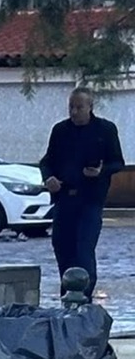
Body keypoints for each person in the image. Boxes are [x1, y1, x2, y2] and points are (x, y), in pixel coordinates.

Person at [39, 87, 124, 297]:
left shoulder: (105, 130)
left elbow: (117, 162)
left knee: (83, 249)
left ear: (90, 108)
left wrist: (100, 171)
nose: (74, 112)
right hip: (64, 199)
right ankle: (67, 294)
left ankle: (83, 296)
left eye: (79, 107)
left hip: (90, 200)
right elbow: (47, 161)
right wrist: (48, 177)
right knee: (62, 246)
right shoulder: (60, 131)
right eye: (71, 107)